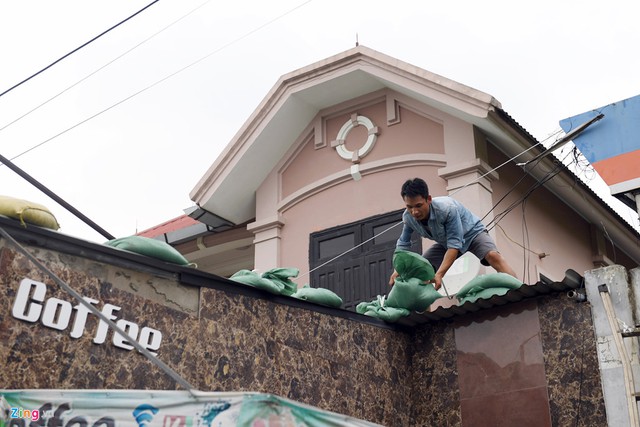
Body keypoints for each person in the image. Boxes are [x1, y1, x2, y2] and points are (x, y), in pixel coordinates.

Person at [389, 178, 517, 290]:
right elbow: (403, 246)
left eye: (418, 206)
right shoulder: (408, 217)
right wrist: (397, 270)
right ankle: (425, 314)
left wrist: (439, 274)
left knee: (493, 255)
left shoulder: (447, 209)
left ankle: (519, 290)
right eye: (409, 207)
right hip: (445, 243)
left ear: (428, 199)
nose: (414, 212)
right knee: (421, 271)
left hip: (472, 234)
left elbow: (454, 245)